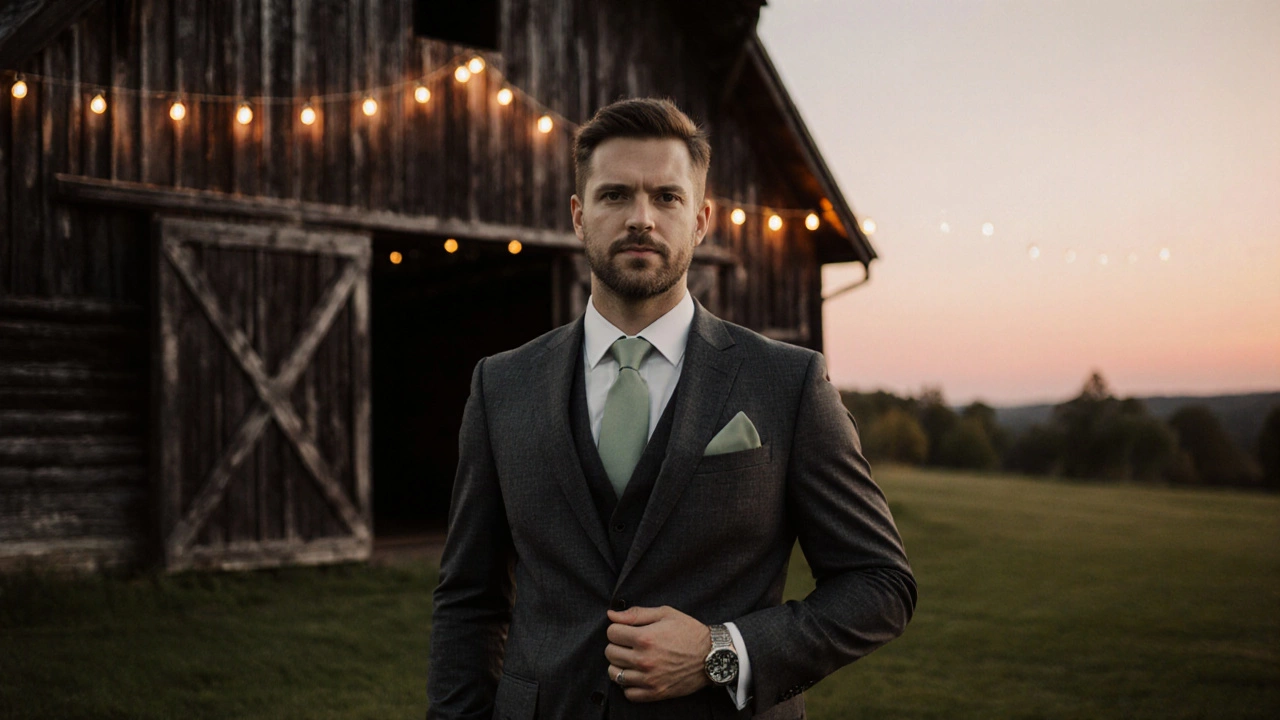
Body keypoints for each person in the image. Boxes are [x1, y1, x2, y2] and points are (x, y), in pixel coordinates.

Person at [427, 97, 915, 720]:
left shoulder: (787, 382)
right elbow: (469, 600)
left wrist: (723, 652)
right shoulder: (501, 385)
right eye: (613, 196)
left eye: (666, 197)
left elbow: (880, 585)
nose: (640, 219)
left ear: (702, 218)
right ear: (579, 216)